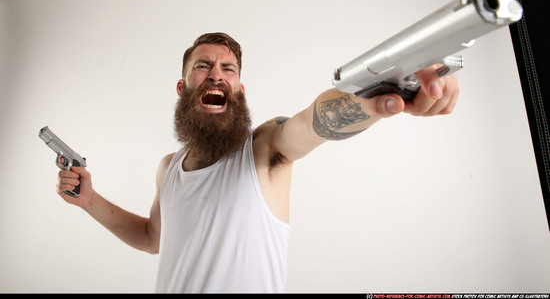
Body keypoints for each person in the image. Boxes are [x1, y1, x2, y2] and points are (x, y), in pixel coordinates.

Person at [56, 32, 459, 293]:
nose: (216, 74)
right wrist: (89, 199)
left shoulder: (265, 150)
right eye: (203, 66)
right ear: (183, 87)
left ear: (239, 89)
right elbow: (151, 239)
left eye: (227, 69)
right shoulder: (168, 168)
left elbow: (314, 121)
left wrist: (388, 89)